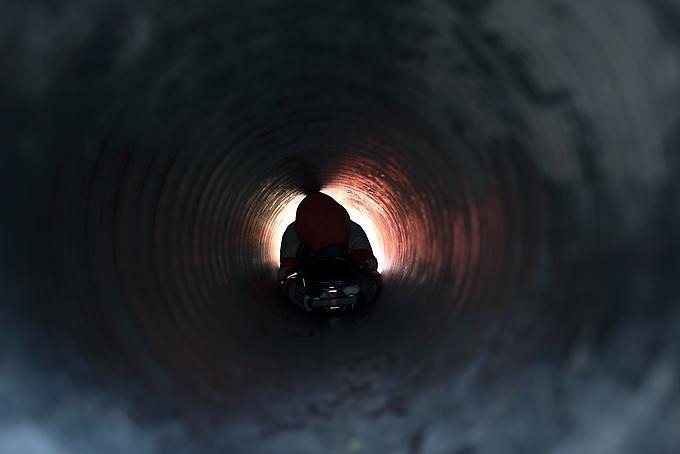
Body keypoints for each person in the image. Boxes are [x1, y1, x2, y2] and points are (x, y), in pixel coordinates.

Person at [278, 192, 381, 310]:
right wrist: (369, 269)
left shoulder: (293, 229)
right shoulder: (351, 225)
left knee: (293, 285)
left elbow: (288, 264)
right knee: (369, 277)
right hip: (347, 268)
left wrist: (288, 278)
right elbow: (365, 255)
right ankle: (353, 290)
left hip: (312, 271)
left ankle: (313, 296)